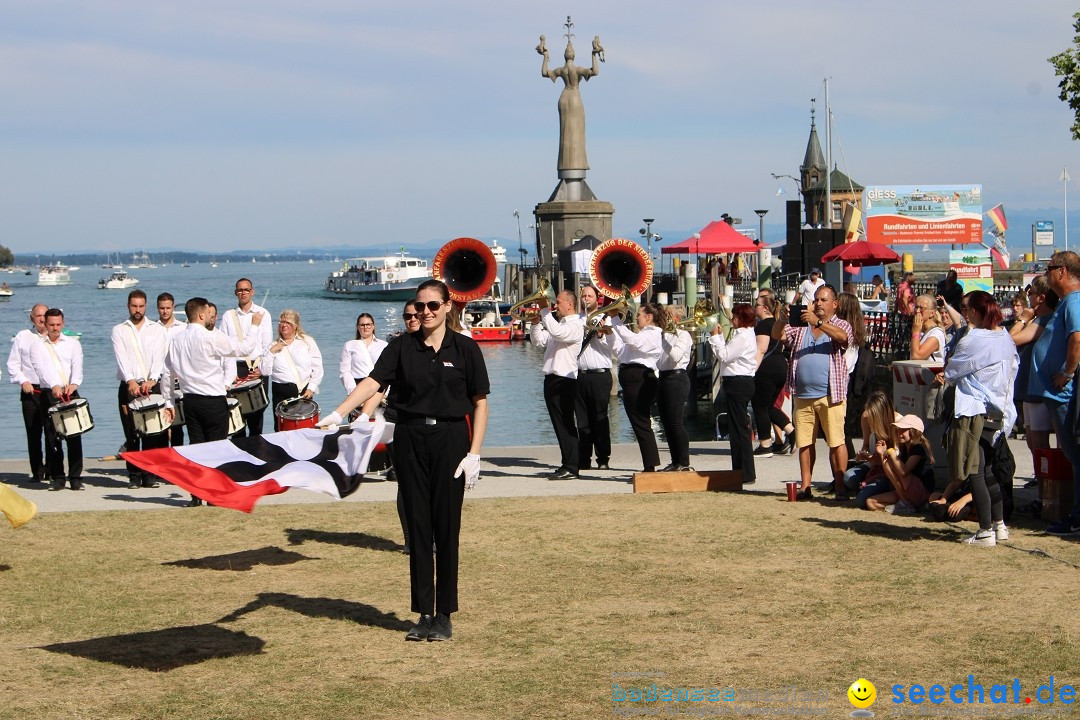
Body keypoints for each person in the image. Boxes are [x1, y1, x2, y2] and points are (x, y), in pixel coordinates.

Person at [318, 279, 489, 643]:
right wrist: (338, 412)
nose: (424, 312)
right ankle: (423, 612)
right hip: (410, 437)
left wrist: (474, 453)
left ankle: (444, 615)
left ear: (447, 307)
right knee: (419, 527)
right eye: (419, 306)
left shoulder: (465, 348)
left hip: (450, 440)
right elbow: (373, 383)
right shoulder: (401, 347)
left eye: (432, 306)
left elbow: (480, 402)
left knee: (446, 528)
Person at [161, 297, 264, 506]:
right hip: (212, 400)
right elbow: (244, 348)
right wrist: (254, 325)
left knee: (197, 447)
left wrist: (169, 402)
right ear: (200, 314)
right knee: (216, 448)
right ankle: (213, 495)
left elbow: (167, 373)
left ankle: (196, 494)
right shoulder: (210, 337)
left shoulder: (176, 340)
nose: (210, 315)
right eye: (208, 312)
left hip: (190, 401)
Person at [941, 291, 1017, 546]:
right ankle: (999, 524)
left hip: (975, 409)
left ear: (973, 311)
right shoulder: (1005, 336)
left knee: (975, 471)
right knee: (987, 471)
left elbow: (952, 370)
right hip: (1001, 410)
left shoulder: (973, 338)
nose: (963, 313)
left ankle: (985, 530)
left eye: (964, 308)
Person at [771, 284, 855, 500]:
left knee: (836, 441)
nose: (818, 303)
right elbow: (777, 336)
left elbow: (843, 338)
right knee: (805, 442)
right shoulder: (800, 325)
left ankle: (840, 485)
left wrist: (818, 322)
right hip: (802, 394)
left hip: (831, 394)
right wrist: (782, 318)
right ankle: (805, 485)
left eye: (824, 300)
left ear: (834, 304)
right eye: (816, 299)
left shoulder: (841, 324)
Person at [1025, 251, 1080, 535]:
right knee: (1071, 455)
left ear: (1062, 272)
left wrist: (1068, 373)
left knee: (1074, 454)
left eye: (1049, 269)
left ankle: (1077, 516)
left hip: (1063, 395)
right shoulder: (1066, 302)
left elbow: (1077, 338)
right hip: (1054, 393)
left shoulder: (1074, 301)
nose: (1046, 275)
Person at [111, 289, 169, 489]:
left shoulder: (157, 329)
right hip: (129, 386)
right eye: (134, 306)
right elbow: (122, 358)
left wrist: (152, 379)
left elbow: (160, 356)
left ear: (146, 306)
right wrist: (131, 381)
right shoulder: (119, 330)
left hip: (152, 385)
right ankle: (134, 475)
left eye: (141, 306)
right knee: (132, 433)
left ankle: (150, 474)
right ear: (128, 306)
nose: (138, 310)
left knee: (152, 433)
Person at [529, 290, 584, 479]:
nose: (555, 306)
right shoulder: (559, 324)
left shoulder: (575, 325)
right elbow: (539, 341)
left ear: (570, 304)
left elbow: (557, 333)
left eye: (558, 302)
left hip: (564, 380)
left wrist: (544, 310)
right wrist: (536, 324)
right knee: (558, 423)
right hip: (552, 378)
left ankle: (572, 466)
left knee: (566, 423)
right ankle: (567, 463)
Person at [603, 303, 663, 472]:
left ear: (649, 317)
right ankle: (650, 464)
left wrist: (615, 319)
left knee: (641, 422)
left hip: (640, 379)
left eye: (639, 314)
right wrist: (609, 334)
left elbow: (633, 341)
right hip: (632, 378)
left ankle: (650, 467)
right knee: (639, 423)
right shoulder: (643, 334)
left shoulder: (653, 334)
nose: (636, 317)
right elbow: (620, 352)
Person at [1009, 277, 1059, 484]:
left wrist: (1022, 320)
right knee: (1031, 437)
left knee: (1038, 439)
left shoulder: (1043, 320)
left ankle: (1046, 480)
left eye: (1030, 294)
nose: (1028, 298)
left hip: (1038, 388)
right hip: (1030, 387)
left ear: (1041, 298)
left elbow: (1011, 339)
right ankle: (1041, 477)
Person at [30, 308, 85, 491]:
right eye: (51, 325)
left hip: (70, 393)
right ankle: (57, 477)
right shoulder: (37, 346)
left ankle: (76, 477)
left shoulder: (72, 344)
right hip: (49, 393)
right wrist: (54, 385)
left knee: (74, 436)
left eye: (58, 325)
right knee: (53, 438)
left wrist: (74, 383)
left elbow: (77, 366)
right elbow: (41, 369)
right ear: (45, 324)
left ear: (63, 323)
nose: (55, 328)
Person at [536, 30, 603, 174]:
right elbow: (595, 72)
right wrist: (594, 54)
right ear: (574, 55)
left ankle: (566, 163)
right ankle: (576, 163)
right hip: (574, 98)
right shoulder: (577, 69)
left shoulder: (561, 70)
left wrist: (546, 56)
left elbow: (544, 72)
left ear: (565, 56)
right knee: (576, 132)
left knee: (566, 132)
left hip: (564, 98)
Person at [709, 304, 758, 484]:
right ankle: (739, 470)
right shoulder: (744, 335)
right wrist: (720, 336)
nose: (732, 319)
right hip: (738, 382)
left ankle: (744, 472)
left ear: (742, 318)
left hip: (738, 382)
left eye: (735, 317)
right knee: (737, 428)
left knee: (739, 429)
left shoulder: (743, 336)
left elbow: (724, 356)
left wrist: (715, 337)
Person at [220, 278, 272, 436]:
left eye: (246, 290)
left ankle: (257, 452)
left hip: (256, 368)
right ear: (236, 293)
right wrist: (228, 373)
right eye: (240, 290)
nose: (243, 293)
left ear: (252, 292)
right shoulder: (229, 316)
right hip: (236, 369)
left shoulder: (262, 314)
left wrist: (262, 370)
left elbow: (267, 346)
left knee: (257, 417)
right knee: (236, 417)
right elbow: (224, 346)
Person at [7, 303, 48, 482]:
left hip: (50, 390)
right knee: (33, 433)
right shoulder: (23, 337)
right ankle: (37, 471)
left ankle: (54, 470)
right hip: (30, 390)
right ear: (32, 318)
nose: (41, 319)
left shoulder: (56, 337)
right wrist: (22, 380)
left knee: (53, 433)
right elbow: (13, 364)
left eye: (44, 315)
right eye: (38, 316)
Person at [263, 309, 323, 431]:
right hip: (281, 393)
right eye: (281, 322)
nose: (283, 325)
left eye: (287, 322)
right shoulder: (272, 345)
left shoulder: (307, 341)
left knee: (305, 428)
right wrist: (272, 352)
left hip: (304, 392)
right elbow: (264, 371)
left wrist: (312, 388)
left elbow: (317, 367)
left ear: (295, 326)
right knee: (282, 429)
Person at [862, 415, 934, 514]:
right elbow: (892, 469)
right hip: (906, 490)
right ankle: (907, 506)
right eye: (898, 430)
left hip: (921, 492)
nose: (899, 434)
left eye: (903, 430)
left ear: (913, 431)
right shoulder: (905, 448)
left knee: (894, 465)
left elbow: (903, 472)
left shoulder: (919, 448)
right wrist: (882, 454)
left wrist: (892, 455)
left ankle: (906, 502)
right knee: (870, 502)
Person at [576, 285, 614, 470]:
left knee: (600, 418)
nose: (586, 298)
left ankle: (603, 458)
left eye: (589, 295)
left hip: (600, 374)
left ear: (597, 298)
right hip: (579, 375)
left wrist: (601, 335)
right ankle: (584, 458)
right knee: (581, 420)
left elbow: (615, 348)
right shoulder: (576, 320)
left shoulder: (605, 318)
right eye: (583, 295)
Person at [751, 293, 793, 457]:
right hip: (780, 366)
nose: (755, 308)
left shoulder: (762, 326)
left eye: (757, 305)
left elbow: (761, 350)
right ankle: (791, 431)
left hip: (766, 369)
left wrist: (752, 371)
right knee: (769, 406)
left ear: (765, 308)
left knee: (760, 406)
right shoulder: (777, 323)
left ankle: (765, 445)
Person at [657, 305, 694, 471]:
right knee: (666, 422)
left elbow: (675, 355)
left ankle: (684, 462)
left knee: (676, 422)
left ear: (677, 319)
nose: (664, 317)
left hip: (677, 378)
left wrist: (662, 339)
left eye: (668, 315)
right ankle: (675, 460)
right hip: (664, 378)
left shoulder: (683, 335)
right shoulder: (663, 334)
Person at [157, 292, 187, 446]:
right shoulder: (153, 328)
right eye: (162, 308)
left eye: (168, 308)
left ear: (173, 307)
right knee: (160, 424)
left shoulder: (183, 328)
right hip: (159, 377)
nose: (165, 311)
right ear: (157, 308)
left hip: (177, 379)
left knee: (177, 424)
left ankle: (178, 459)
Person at [340, 313, 388, 393]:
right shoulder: (349, 345)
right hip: (358, 387)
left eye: (368, 324)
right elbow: (345, 371)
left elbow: (389, 371)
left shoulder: (383, 345)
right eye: (362, 325)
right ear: (358, 327)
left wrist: (385, 393)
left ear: (373, 326)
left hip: (379, 387)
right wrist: (353, 391)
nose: (365, 327)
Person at [910, 294, 947, 363]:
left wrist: (915, 332)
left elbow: (916, 357)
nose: (917, 311)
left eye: (922, 308)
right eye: (916, 307)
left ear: (932, 313)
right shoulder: (921, 332)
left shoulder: (936, 333)